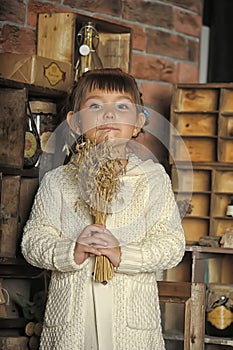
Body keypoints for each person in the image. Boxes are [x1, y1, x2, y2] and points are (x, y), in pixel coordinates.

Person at [21, 68, 185, 350]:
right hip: (73, 327)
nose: (109, 115)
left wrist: (122, 253)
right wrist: (72, 250)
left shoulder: (152, 179)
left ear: (138, 123)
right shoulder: (58, 181)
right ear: (74, 123)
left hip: (131, 329)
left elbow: (171, 245)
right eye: (95, 106)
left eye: (122, 106)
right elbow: (33, 242)